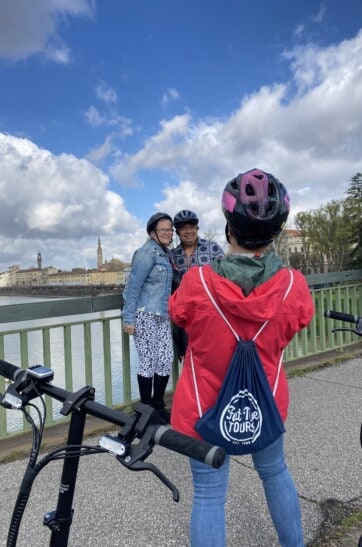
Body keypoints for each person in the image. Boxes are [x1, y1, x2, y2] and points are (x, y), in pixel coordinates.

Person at [169, 168, 314, 546]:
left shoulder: (196, 283)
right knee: (275, 472)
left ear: (229, 229)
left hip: (203, 408)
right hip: (264, 403)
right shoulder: (294, 286)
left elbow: (178, 314)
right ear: (275, 232)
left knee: (208, 496)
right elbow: (298, 322)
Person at [122, 212, 174, 423]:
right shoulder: (146, 253)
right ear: (153, 231)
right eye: (163, 229)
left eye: (170, 229)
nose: (167, 233)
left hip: (162, 315)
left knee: (165, 359)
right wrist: (128, 318)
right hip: (144, 315)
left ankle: (158, 405)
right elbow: (132, 287)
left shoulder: (163, 253)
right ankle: (145, 410)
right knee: (148, 362)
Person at [170, 210, 225, 359]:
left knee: (214, 360)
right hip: (184, 320)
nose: (188, 231)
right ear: (178, 232)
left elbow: (226, 276)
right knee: (189, 363)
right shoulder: (172, 255)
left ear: (197, 228)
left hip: (210, 316)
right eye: (183, 228)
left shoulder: (212, 248)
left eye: (192, 227)